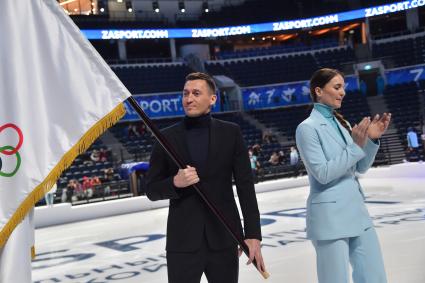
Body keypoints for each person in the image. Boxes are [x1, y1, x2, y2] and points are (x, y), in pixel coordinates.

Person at [146, 72, 266, 283]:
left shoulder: (231, 133)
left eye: (196, 93)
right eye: (185, 93)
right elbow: (151, 189)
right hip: (182, 242)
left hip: (224, 236)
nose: (188, 98)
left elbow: (245, 187)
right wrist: (175, 182)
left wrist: (253, 234)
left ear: (212, 99)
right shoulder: (166, 138)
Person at [296, 68, 391, 283]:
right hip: (330, 217)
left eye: (343, 88)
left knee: (374, 277)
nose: (343, 93)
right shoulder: (307, 129)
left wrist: (371, 141)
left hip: (357, 211)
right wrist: (356, 146)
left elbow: (359, 167)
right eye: (337, 87)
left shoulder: (343, 123)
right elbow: (322, 173)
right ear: (319, 91)